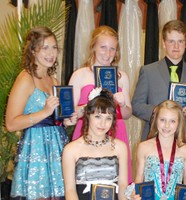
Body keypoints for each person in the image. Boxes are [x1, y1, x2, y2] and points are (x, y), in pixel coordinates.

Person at [5, 26, 77, 199]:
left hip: (57, 146)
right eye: (45, 47)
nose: (51, 53)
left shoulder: (53, 79)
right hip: (36, 149)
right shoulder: (25, 78)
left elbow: (54, 118)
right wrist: (44, 112)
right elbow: (11, 123)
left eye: (54, 47)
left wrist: (65, 121)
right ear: (33, 50)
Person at [69, 25, 132, 183]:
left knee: (116, 181)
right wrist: (88, 106)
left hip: (115, 132)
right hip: (86, 133)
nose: (107, 53)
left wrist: (123, 105)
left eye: (112, 49)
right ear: (93, 47)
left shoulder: (121, 77)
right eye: (103, 47)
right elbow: (68, 114)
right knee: (84, 181)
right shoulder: (80, 75)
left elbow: (127, 114)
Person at [132, 19, 186, 144]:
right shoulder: (148, 71)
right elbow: (136, 105)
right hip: (154, 140)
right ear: (164, 43)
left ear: (185, 44)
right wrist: (156, 111)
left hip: (185, 142)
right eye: (171, 41)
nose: (176, 46)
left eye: (180, 41)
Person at [62, 88, 128, 200]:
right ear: (88, 115)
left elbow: (123, 186)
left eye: (108, 118)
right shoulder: (71, 150)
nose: (102, 123)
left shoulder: (120, 147)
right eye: (98, 117)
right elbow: (70, 190)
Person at [130, 100, 186, 200]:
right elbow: (139, 179)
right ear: (155, 120)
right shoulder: (143, 147)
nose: (166, 125)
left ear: (179, 123)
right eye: (162, 120)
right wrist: (135, 195)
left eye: (172, 121)